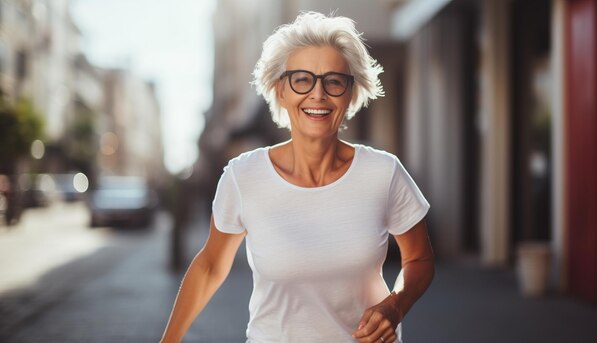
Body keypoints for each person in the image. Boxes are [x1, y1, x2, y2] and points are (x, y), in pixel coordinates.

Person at [161, 11, 434, 343]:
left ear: (350, 93)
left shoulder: (384, 172)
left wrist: (395, 305)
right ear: (280, 91)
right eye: (302, 79)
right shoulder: (243, 176)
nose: (318, 94)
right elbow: (209, 267)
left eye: (334, 80)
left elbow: (419, 258)